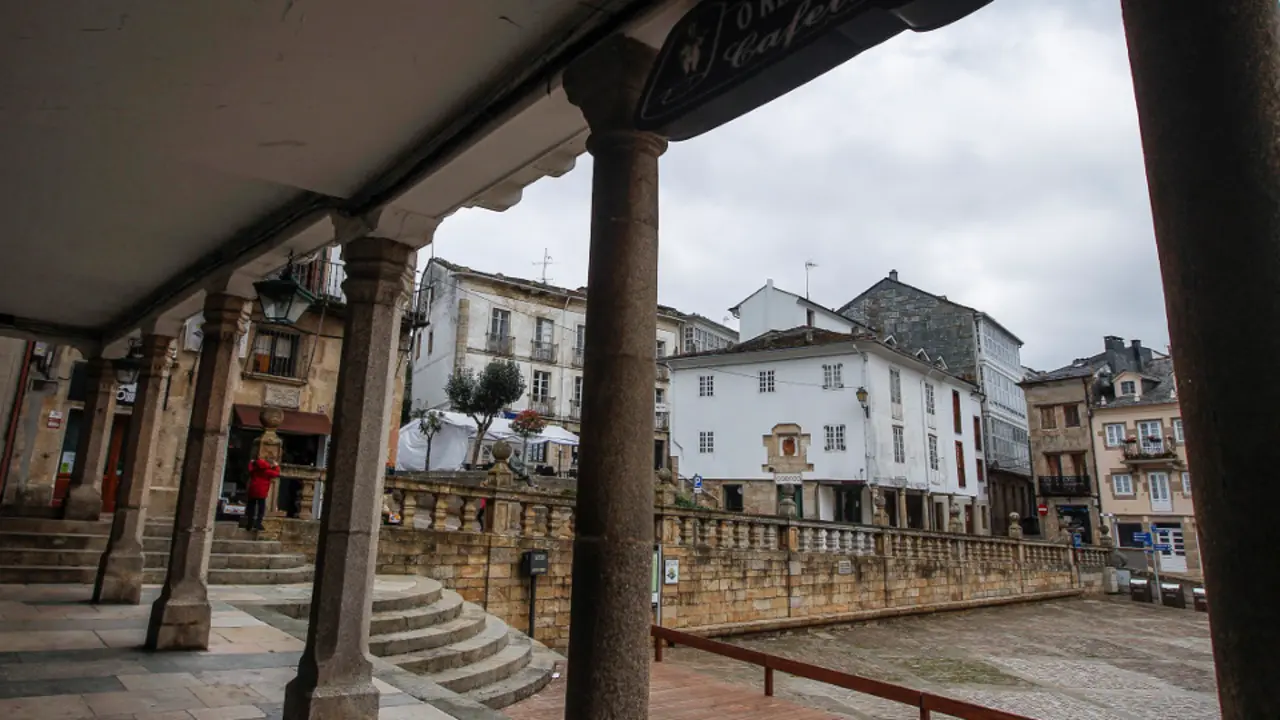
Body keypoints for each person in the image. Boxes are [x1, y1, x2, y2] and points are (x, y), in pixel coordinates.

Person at [246, 458, 279, 531]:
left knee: (251, 508)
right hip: (262, 492)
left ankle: (249, 524)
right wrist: (276, 466)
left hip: (252, 490)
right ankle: (258, 524)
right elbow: (277, 474)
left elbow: (250, 468)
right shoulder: (267, 471)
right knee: (261, 509)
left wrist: (251, 462)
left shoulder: (255, 469)